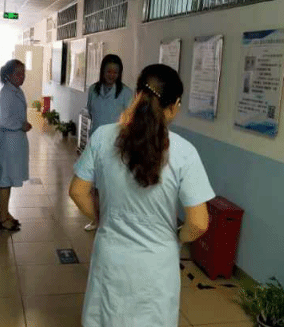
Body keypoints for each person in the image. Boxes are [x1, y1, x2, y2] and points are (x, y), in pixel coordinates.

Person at [69, 64, 215, 327]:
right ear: (175, 106)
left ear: (136, 95)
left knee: (106, 318)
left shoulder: (103, 137)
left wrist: (103, 219)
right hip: (157, 265)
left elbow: (77, 192)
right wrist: (176, 237)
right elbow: (199, 222)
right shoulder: (184, 152)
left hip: (111, 257)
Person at [84, 54, 133, 231]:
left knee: (113, 186)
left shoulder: (126, 93)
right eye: (108, 71)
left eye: (115, 72)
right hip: (96, 144)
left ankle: (112, 221)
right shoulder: (93, 90)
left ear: (120, 73)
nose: (112, 75)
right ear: (102, 71)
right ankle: (97, 220)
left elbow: (130, 120)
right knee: (96, 185)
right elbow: (91, 112)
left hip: (116, 145)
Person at [0, 59, 32, 231]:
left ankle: (5, 213)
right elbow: (4, 120)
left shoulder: (16, 90)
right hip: (7, 143)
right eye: (18, 74)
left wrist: (21, 125)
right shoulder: (6, 93)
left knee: (8, 180)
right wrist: (20, 125)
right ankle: (2, 220)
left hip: (15, 142)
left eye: (23, 73)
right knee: (5, 180)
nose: (22, 77)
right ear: (8, 75)